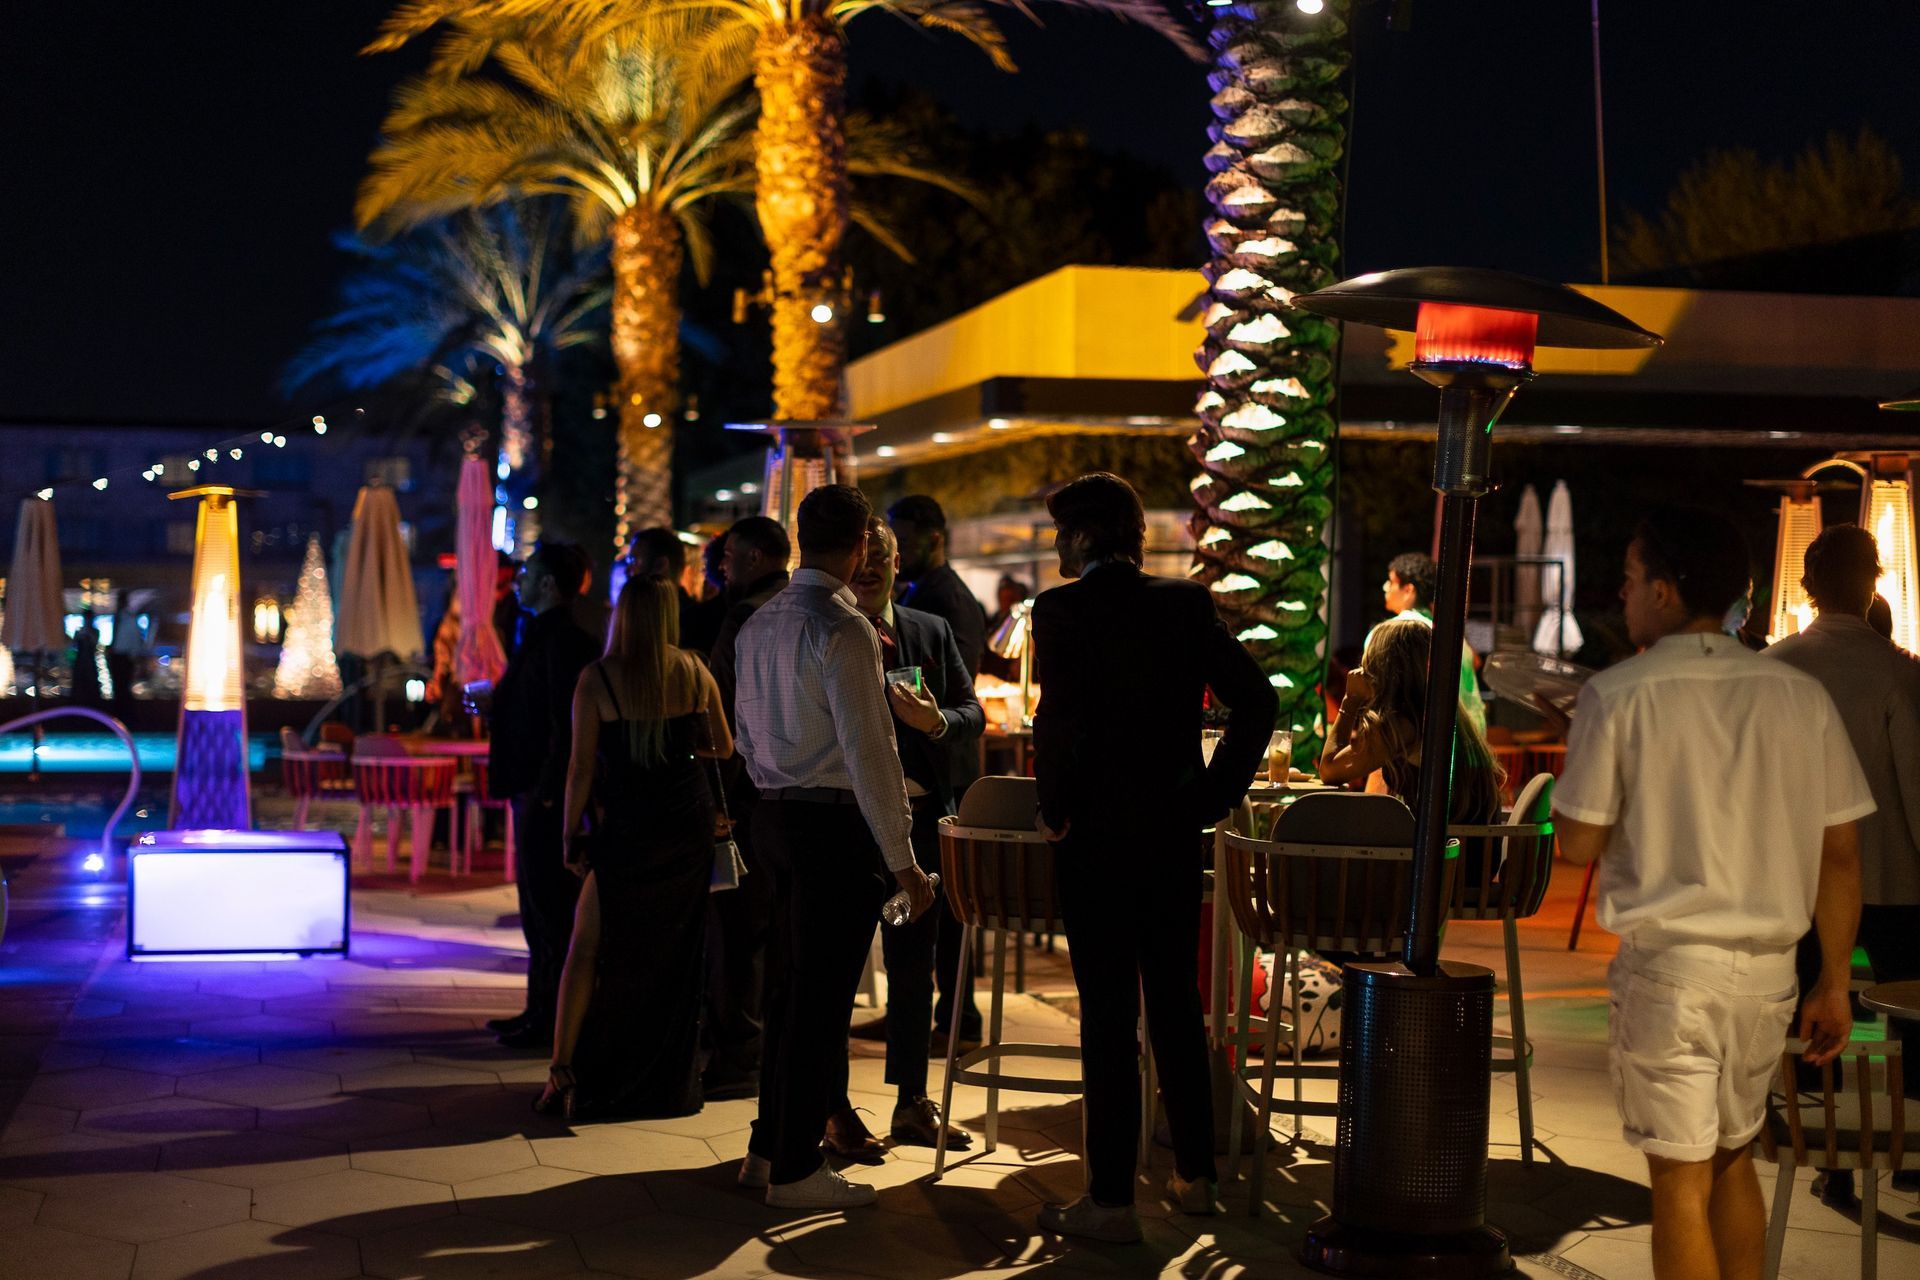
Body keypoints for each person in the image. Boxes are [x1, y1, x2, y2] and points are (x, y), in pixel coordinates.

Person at [1550, 508, 1871, 1280]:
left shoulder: (1621, 693)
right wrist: (1834, 981)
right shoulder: (1797, 696)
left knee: (1679, 1185)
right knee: (1735, 1160)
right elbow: (1841, 851)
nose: (1622, 597)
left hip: (1671, 971)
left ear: (1664, 591)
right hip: (1769, 975)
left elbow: (1575, 844)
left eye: (1629, 581)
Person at [1030, 472, 1276, 1241]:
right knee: (1174, 1003)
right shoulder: (1183, 604)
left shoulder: (1061, 610)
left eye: (1062, 534)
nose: (1057, 547)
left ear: (1085, 536)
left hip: (1096, 836)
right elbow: (1257, 701)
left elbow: (1059, 719)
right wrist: (1209, 795)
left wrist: (1055, 807)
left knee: (1106, 1016)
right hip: (1171, 832)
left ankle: (1109, 1200)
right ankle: (1195, 1175)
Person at [733, 485, 935, 1210]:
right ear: (858, 548)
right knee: (818, 1005)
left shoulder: (759, 625)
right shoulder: (843, 629)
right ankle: (794, 1169)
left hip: (773, 818)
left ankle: (765, 1148)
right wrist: (905, 860)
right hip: (828, 827)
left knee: (788, 994)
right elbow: (871, 750)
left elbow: (746, 736)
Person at [1763, 524, 1920, 1202]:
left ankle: (1823, 1151)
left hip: (1796, 876)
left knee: (1808, 1007)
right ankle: (1913, 1148)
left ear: (1807, 586)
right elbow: (1916, 783)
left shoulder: (1774, 667)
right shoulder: (1899, 671)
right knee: (1912, 1012)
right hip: (1892, 873)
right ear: (1874, 583)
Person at [537, 575, 732, 1119]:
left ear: (622, 614)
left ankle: (564, 1068)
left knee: (588, 946)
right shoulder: (694, 670)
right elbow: (723, 745)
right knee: (674, 954)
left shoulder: (598, 679)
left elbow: (579, 768)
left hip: (627, 829)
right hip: (684, 829)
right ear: (669, 615)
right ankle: (665, 1081)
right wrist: (683, 742)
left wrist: (568, 832)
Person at [822, 515, 983, 1155]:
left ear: (894, 569)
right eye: (858, 570)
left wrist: (936, 720)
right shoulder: (829, 630)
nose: (867, 579)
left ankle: (910, 1103)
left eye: (878, 570)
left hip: (914, 840)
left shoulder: (928, 631)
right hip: (850, 833)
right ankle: (832, 1106)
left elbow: (970, 712)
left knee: (913, 968)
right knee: (837, 969)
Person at [482, 543, 601, 1050]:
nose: (520, 581)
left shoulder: (564, 641)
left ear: (550, 584)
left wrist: (551, 795)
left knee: (549, 907)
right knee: (535, 906)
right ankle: (538, 1011)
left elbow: (564, 725)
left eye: (529, 573)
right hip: (531, 786)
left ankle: (549, 1020)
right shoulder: (542, 633)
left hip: (541, 790)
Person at [886, 494, 987, 1048]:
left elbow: (959, 692)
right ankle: (940, 1011)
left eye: (903, 540)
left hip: (944, 772)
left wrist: (932, 721)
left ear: (933, 537)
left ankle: (955, 1013)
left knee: (945, 907)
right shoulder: (926, 594)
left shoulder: (944, 601)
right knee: (930, 910)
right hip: (932, 767)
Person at [700, 515, 791, 1101]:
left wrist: (718, 797)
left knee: (740, 930)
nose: (723, 565)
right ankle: (771, 1046)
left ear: (757, 557)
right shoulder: (819, 612)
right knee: (781, 927)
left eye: (730, 555)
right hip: (803, 792)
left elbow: (718, 713)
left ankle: (740, 1051)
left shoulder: (744, 617)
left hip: (748, 793)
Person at [1319, 616, 1505, 887]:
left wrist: (1351, 701)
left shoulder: (1403, 724)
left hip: (1440, 872)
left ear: (1383, 666)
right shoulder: (1446, 713)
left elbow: (1329, 770)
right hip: (1471, 863)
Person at [1371, 551, 1487, 735]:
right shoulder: (1448, 632)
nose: (1386, 587)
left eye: (1392, 582)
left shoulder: (1393, 631)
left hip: (1432, 742)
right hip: (1473, 737)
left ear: (1408, 590)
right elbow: (1475, 662)